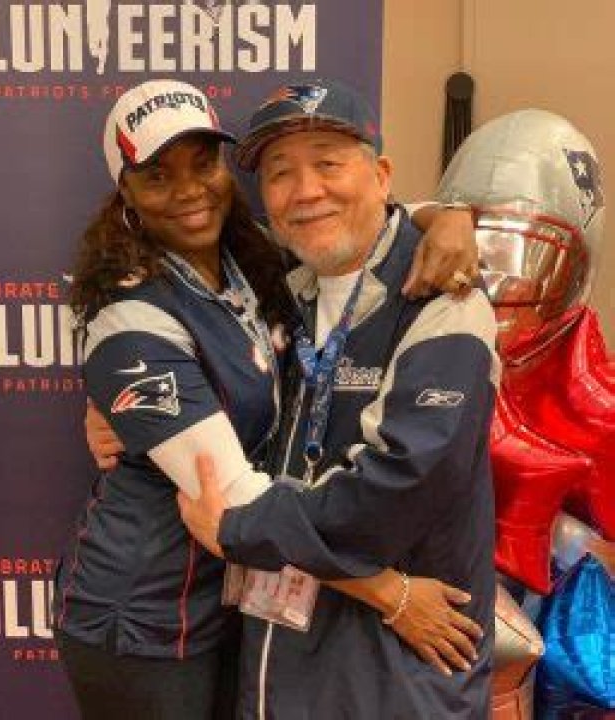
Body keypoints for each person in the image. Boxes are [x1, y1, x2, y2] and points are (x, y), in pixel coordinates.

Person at [55, 78, 482, 720]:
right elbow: (227, 501)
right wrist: (389, 593)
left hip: (242, 602)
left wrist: (448, 217)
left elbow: (359, 216)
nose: (189, 190)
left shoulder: (256, 264)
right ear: (126, 193)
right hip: (145, 615)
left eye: (203, 164)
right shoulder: (132, 320)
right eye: (157, 176)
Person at [177, 79, 499, 719]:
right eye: (280, 173)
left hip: (394, 682)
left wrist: (239, 528)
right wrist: (116, 405)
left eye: (328, 163)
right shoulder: (273, 290)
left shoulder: (445, 298)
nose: (306, 190)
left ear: (381, 176)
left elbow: (396, 488)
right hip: (275, 666)